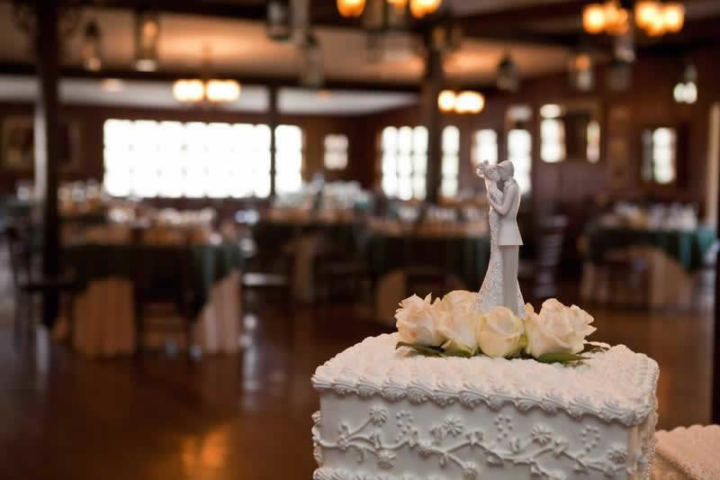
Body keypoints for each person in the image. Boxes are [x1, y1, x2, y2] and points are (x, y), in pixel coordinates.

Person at [475, 161, 524, 317]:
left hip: (509, 235)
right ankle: (506, 311)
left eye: (500, 171)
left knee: (509, 277)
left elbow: (503, 210)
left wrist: (489, 201)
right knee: (503, 274)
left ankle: (511, 313)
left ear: (507, 172)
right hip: (503, 236)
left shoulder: (512, 188)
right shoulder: (506, 188)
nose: (499, 174)